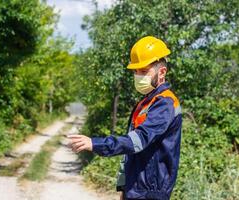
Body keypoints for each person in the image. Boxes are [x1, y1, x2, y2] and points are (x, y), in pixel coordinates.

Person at [68, 36, 182, 200]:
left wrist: (96, 143)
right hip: (137, 188)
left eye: (143, 71)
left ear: (162, 72)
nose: (138, 76)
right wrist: (125, 187)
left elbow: (138, 140)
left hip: (150, 192)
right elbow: (133, 153)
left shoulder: (165, 104)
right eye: (136, 71)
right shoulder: (147, 102)